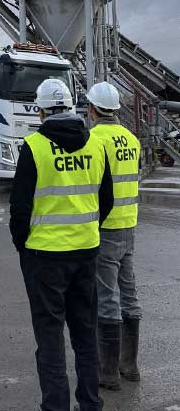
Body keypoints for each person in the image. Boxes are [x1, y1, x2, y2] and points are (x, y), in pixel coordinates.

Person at [9, 78, 114, 411]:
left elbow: (19, 210)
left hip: (44, 256)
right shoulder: (95, 145)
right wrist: (86, 229)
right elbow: (106, 200)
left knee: (50, 336)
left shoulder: (34, 146)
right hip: (86, 252)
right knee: (85, 333)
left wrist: (24, 246)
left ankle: (55, 406)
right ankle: (91, 403)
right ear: (71, 107)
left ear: (41, 112)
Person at [87, 82, 142, 390]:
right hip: (128, 224)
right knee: (128, 293)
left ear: (93, 109)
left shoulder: (94, 139)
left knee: (107, 296)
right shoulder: (131, 139)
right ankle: (129, 365)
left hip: (105, 226)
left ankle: (107, 373)